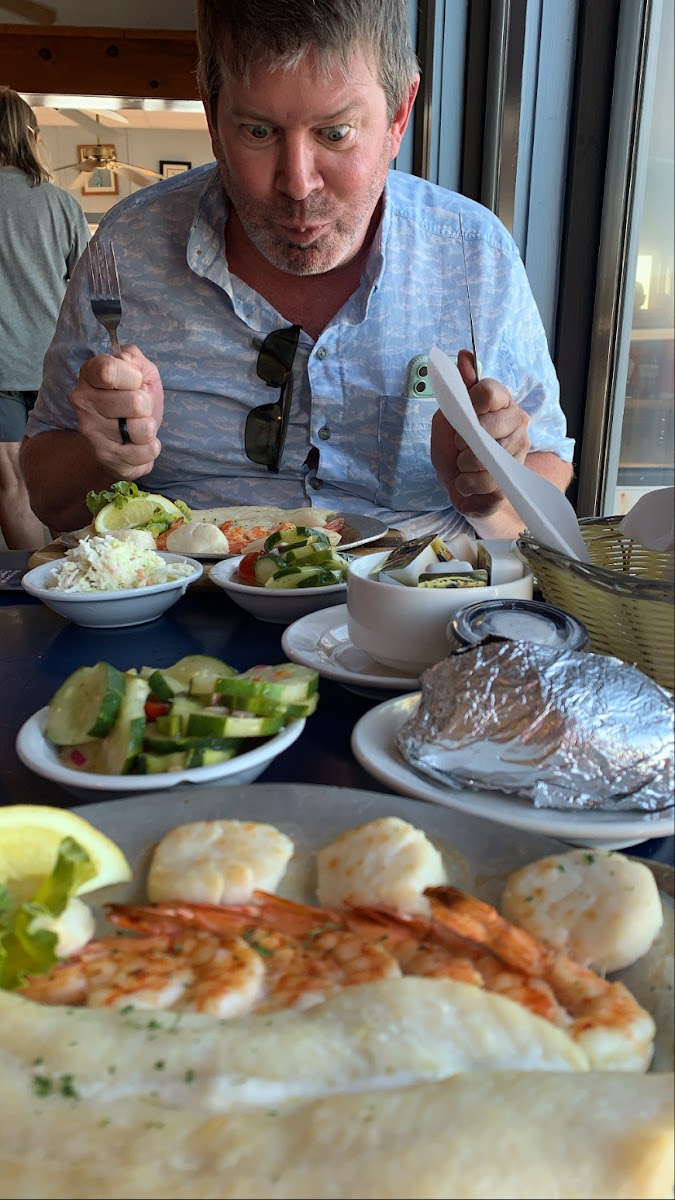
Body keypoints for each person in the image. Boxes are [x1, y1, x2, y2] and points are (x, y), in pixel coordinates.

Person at [20, 0, 574, 541]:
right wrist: (106, 455)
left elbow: (548, 460)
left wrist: (494, 492)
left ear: (399, 115)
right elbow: (49, 498)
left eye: (336, 133)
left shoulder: (472, 252)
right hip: (183, 604)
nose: (298, 183)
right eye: (258, 132)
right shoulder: (127, 247)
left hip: (415, 605)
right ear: (213, 118)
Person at [0, 87, 90, 549]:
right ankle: (82, 582)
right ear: (31, 137)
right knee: (63, 494)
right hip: (55, 365)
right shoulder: (60, 204)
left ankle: (33, 597)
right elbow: (87, 289)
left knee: (13, 486)